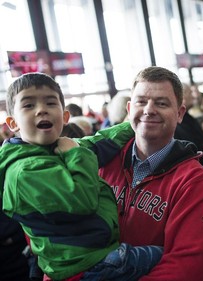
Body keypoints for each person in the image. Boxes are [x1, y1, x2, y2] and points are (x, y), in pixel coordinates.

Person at [0, 72, 163, 281]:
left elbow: (99, 142)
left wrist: (134, 122)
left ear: (64, 116)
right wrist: (74, 153)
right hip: (86, 266)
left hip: (96, 254)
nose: (41, 110)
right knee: (166, 255)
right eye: (28, 105)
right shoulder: (25, 171)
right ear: (13, 123)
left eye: (50, 103)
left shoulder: (53, 149)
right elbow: (82, 200)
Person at [78, 66, 203, 281]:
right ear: (129, 107)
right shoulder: (100, 162)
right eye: (141, 101)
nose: (149, 110)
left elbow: (188, 266)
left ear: (180, 114)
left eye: (161, 103)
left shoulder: (192, 180)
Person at [174, 83, 203, 162]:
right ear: (181, 96)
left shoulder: (186, 117)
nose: (194, 96)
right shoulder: (178, 122)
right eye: (190, 93)